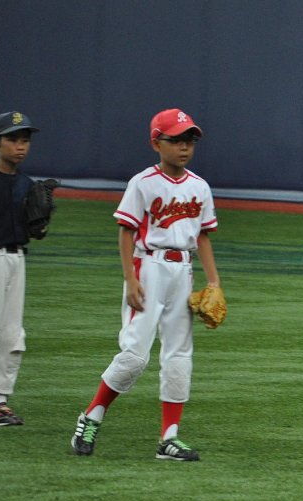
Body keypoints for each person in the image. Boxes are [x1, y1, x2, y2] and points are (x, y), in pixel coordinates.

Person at [70, 108, 220, 461]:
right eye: (176, 140)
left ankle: (169, 437)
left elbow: (203, 236)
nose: (185, 147)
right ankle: (92, 416)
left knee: (179, 355)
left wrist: (214, 281)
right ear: (156, 143)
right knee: (135, 355)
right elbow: (125, 231)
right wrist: (130, 279)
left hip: (183, 272)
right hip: (148, 267)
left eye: (190, 140)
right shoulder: (143, 183)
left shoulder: (200, 186)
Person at [0, 111, 42, 427]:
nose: (20, 146)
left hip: (17, 260)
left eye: (25, 140)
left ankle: (0, 400)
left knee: (13, 334)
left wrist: (39, 226)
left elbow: (34, 230)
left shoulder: (27, 185)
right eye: (12, 140)